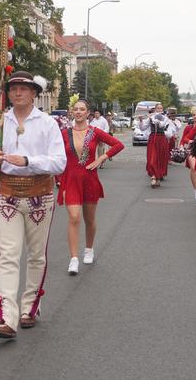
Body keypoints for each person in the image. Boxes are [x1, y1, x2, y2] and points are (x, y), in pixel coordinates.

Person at [0, 71, 66, 339]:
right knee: (8, 254)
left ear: (33, 93)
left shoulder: (47, 123)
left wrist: (28, 161)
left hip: (40, 195)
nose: (18, 93)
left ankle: (30, 306)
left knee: (36, 255)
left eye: (23, 88)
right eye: (14, 88)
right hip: (7, 196)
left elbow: (59, 162)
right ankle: (7, 316)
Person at [58, 98, 124, 275]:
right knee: (74, 217)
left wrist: (102, 158)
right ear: (72, 112)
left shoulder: (95, 132)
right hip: (70, 179)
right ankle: (73, 259)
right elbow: (56, 156)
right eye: (76, 109)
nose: (78, 112)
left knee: (89, 219)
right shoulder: (64, 133)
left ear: (87, 113)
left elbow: (118, 145)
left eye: (82, 109)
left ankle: (89, 249)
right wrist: (58, 180)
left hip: (90, 179)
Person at [139, 103, 176, 187]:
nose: (159, 110)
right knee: (152, 158)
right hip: (153, 139)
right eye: (158, 108)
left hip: (162, 139)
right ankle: (153, 176)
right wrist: (141, 120)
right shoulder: (150, 118)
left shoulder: (165, 118)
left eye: (161, 108)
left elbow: (167, 130)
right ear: (155, 109)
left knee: (161, 158)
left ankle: (158, 177)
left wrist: (154, 119)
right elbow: (143, 128)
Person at [181, 108, 196, 204]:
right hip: (192, 150)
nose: (195, 116)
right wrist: (186, 143)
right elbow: (184, 139)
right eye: (194, 115)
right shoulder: (188, 128)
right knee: (193, 168)